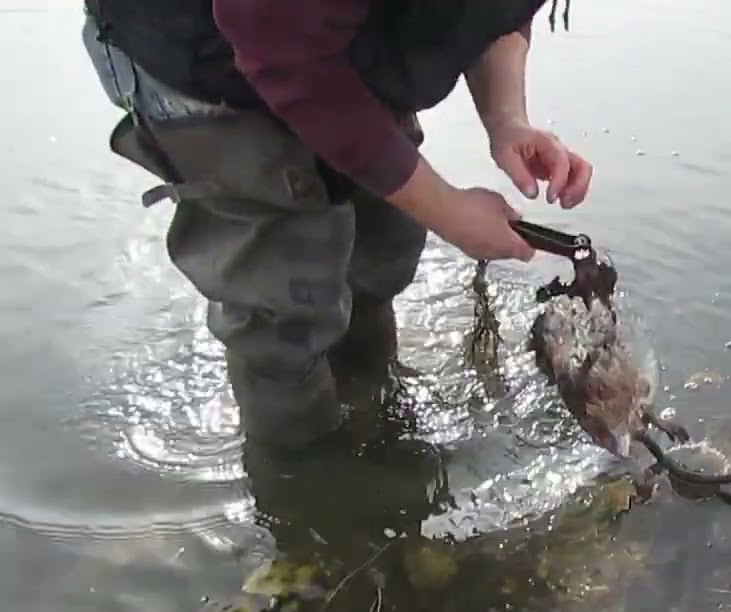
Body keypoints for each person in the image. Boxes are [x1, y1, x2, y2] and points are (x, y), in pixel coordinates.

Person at [81, 0, 594, 450]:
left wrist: (507, 120)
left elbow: (497, 11)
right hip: (202, 60)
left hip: (335, 45)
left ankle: (373, 410)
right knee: (283, 315)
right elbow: (276, 43)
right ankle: (309, 499)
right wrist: (447, 209)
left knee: (380, 252)